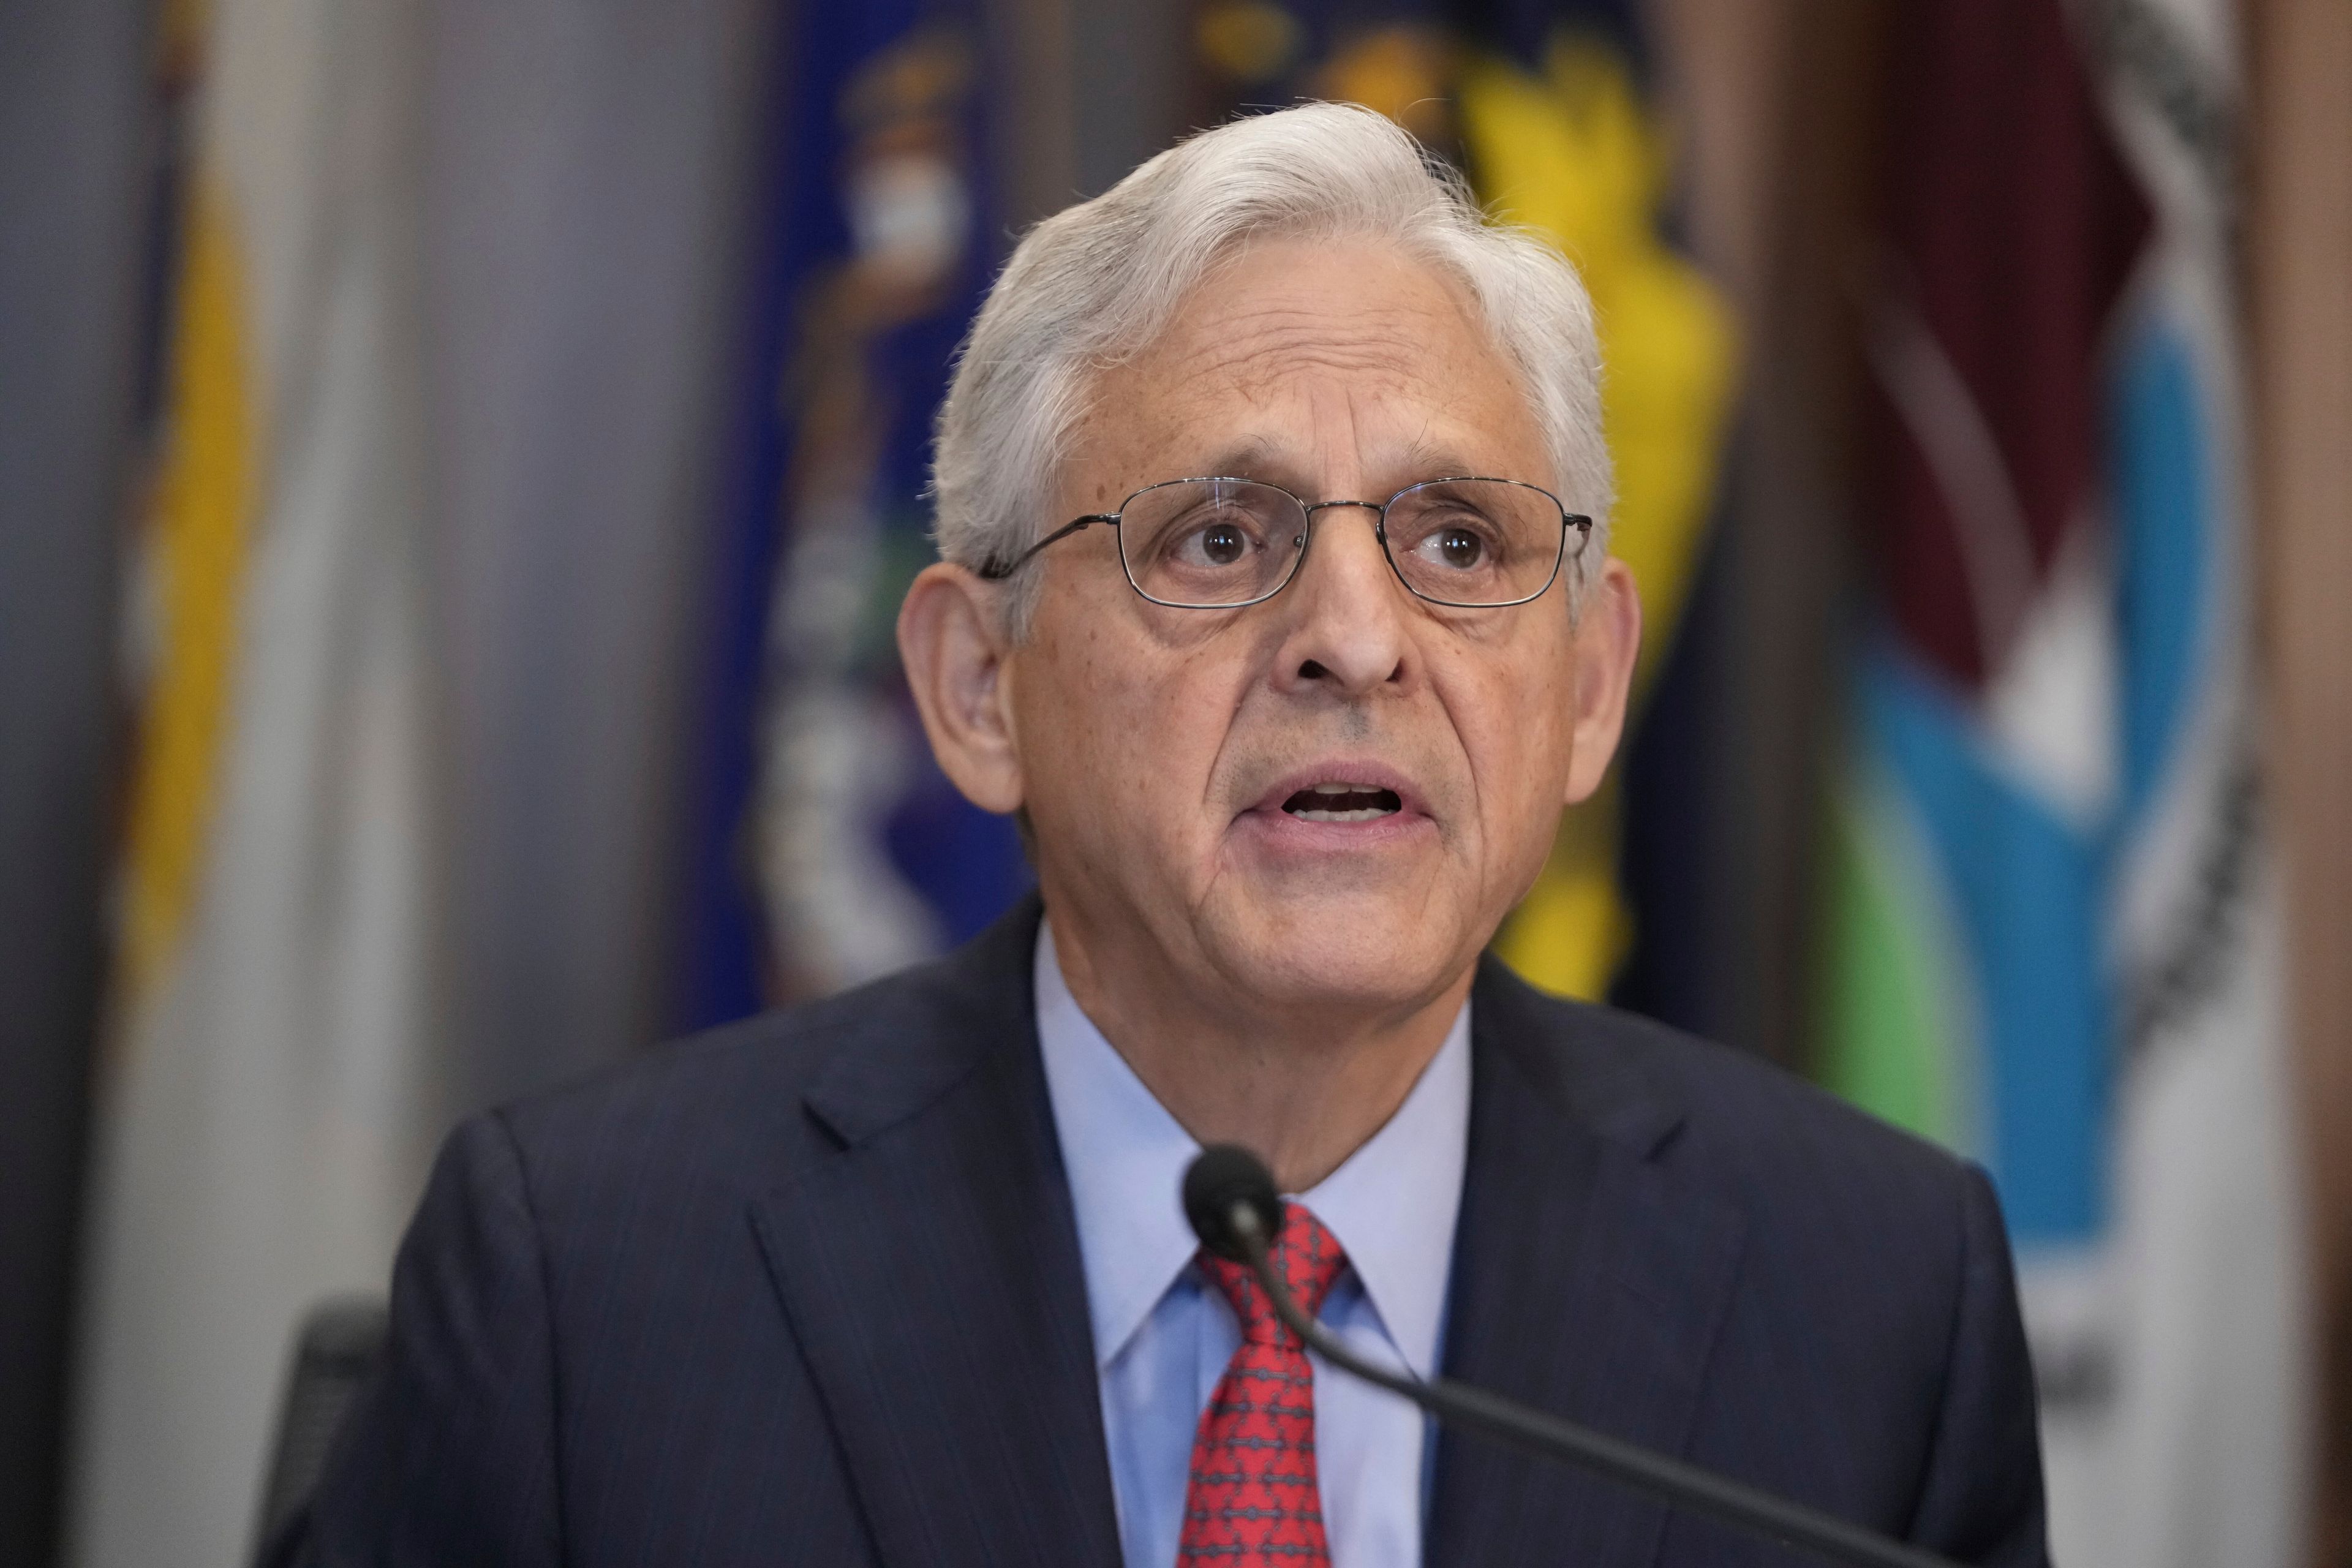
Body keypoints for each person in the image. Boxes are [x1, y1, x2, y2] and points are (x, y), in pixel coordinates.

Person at [274, 102, 2047, 1568]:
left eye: (1455, 542)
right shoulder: (588, 1292)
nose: (1355, 637)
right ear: (978, 688)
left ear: (1587, 689)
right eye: (1217, 540)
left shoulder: (1875, 1309)